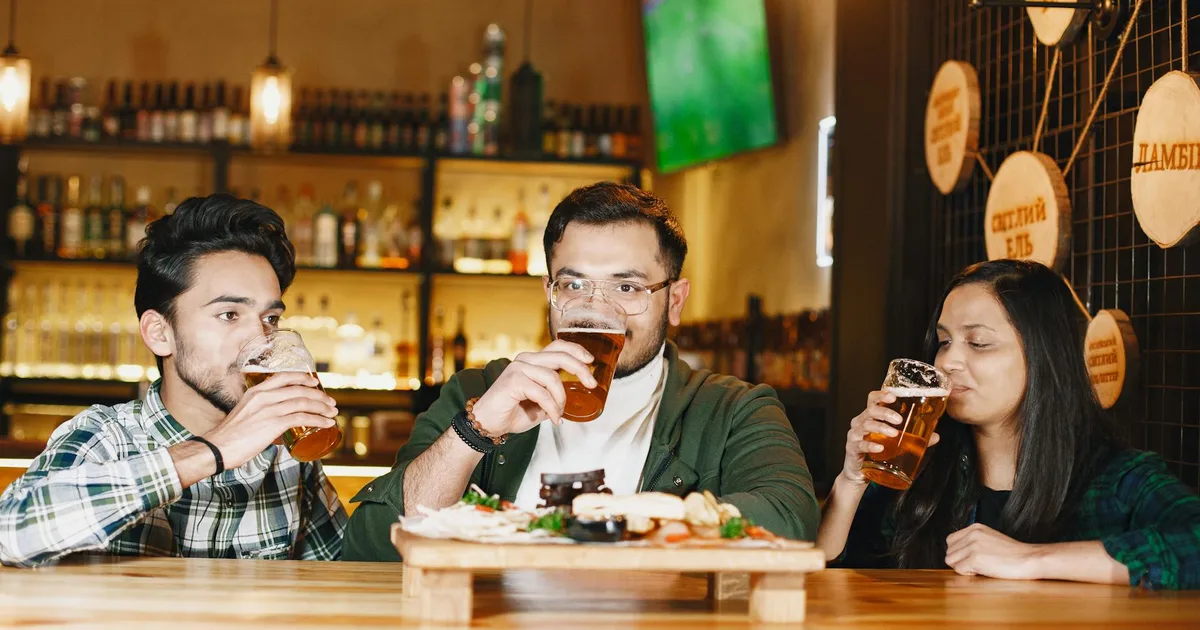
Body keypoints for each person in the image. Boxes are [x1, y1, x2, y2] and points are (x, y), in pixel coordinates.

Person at [343, 182, 818, 560]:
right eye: (574, 284)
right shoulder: (478, 390)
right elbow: (370, 545)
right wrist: (476, 431)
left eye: (627, 288)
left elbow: (789, 519)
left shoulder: (733, 409)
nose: (596, 310)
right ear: (549, 291)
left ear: (673, 301)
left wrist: (613, 517)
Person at [0, 195, 346, 567]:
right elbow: (10, 532)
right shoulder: (108, 437)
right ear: (159, 333)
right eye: (229, 314)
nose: (261, 340)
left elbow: (348, 579)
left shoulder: (286, 457)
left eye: (271, 318)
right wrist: (211, 451)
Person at [817, 259, 1200, 590]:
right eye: (944, 341)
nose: (948, 362)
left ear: (1042, 356)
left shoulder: (1113, 480)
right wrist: (851, 482)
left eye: (978, 343)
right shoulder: (922, 470)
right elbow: (823, 575)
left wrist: (1033, 560)